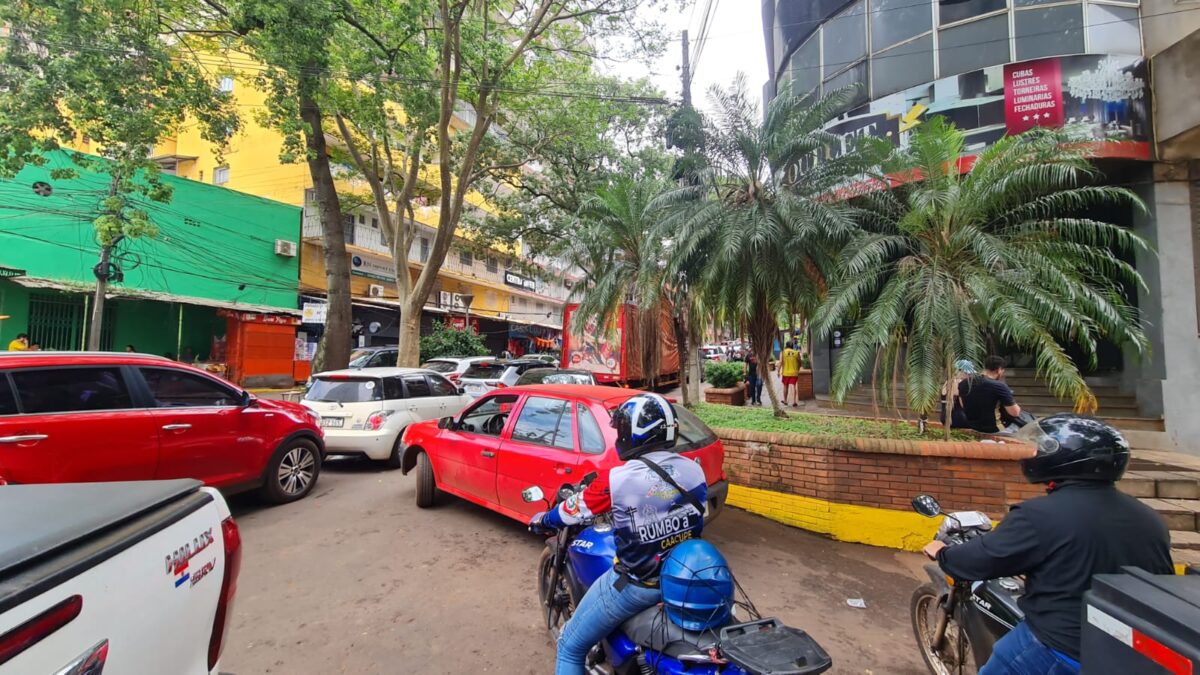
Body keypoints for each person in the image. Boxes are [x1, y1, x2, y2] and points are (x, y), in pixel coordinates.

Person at [924, 415, 1173, 674]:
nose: (1034, 454)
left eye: (1042, 449)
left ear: (1063, 458)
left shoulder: (1038, 515)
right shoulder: (1149, 518)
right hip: (1135, 650)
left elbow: (985, 558)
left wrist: (944, 554)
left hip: (1061, 645)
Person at [529, 393, 707, 675]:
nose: (619, 436)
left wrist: (543, 519)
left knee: (569, 645)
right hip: (687, 578)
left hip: (640, 586)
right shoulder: (695, 470)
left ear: (635, 434)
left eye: (622, 429)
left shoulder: (618, 480)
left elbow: (573, 510)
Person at [953, 355, 1021, 433]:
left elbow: (963, 405)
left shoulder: (964, 383)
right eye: (1003, 371)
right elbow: (1015, 412)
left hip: (972, 426)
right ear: (999, 370)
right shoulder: (1000, 386)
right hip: (994, 428)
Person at [779, 341, 801, 407]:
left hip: (785, 373)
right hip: (794, 373)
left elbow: (780, 362)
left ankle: (785, 401)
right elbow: (800, 362)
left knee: (785, 386)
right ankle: (794, 401)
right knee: (793, 386)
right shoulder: (796, 353)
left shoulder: (783, 352)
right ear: (792, 346)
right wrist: (798, 369)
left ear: (786, 346)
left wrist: (778, 371)